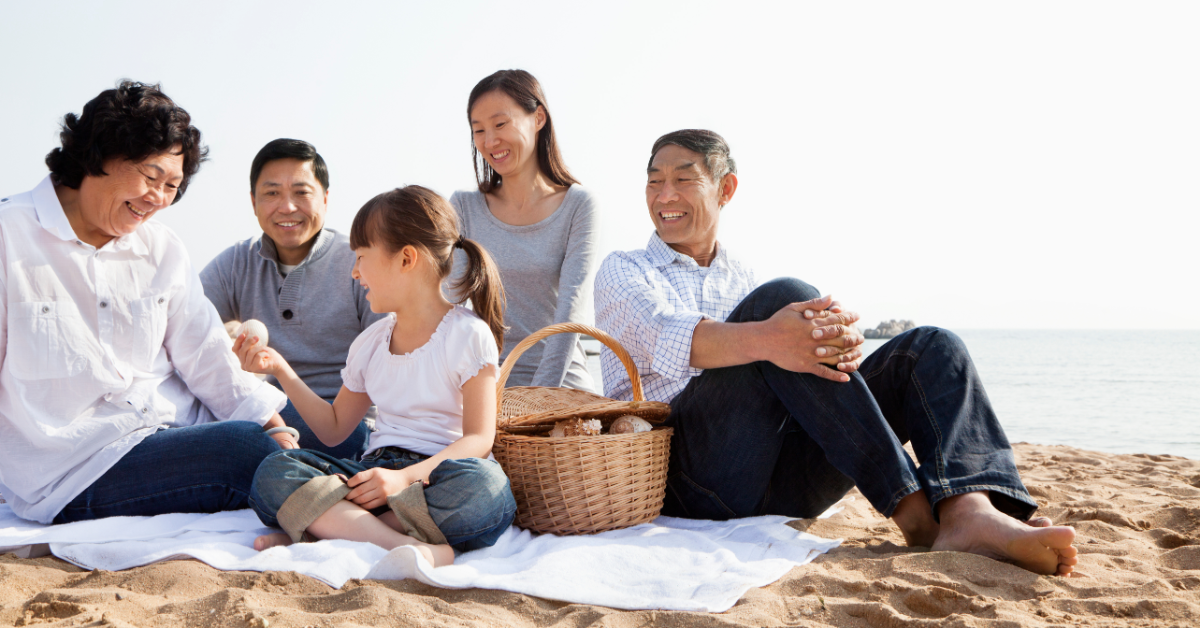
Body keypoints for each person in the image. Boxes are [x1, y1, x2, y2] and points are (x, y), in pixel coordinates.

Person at [594, 129, 1079, 576]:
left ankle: (971, 512)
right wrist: (780, 335)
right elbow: (671, 339)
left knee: (932, 347)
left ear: (726, 190)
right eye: (654, 182)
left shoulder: (740, 275)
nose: (664, 196)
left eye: (683, 180)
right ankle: (916, 515)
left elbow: (797, 374)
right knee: (785, 298)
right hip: (685, 478)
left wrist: (833, 347)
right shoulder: (626, 270)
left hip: (779, 481)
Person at [0, 81, 296, 525]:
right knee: (244, 449)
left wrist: (272, 422)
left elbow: (205, 353)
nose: (158, 198)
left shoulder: (162, 247)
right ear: (98, 155)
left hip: (175, 428)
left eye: (172, 186)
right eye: (150, 176)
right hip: (78, 466)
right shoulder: (11, 235)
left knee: (327, 436)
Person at [241, 186, 516, 566]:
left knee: (487, 488)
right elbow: (335, 428)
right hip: (373, 473)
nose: (354, 272)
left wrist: (404, 481)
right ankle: (398, 543)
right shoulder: (370, 343)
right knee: (275, 471)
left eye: (361, 257)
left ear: (406, 259)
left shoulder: (468, 334)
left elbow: (479, 439)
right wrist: (281, 371)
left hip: (437, 475)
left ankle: (334, 531)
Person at [201, 139, 384, 458]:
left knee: (244, 437)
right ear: (253, 201)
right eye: (272, 193)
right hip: (267, 414)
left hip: (348, 425)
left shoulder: (358, 262)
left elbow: (393, 360)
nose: (287, 207)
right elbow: (183, 322)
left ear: (325, 199)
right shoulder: (236, 263)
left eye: (301, 192)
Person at [450, 69, 597, 391]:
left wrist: (538, 399)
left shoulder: (579, 206)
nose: (490, 142)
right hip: (485, 384)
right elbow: (451, 300)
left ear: (538, 118)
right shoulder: (463, 207)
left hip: (561, 387)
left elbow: (570, 311)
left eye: (501, 124)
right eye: (479, 130)